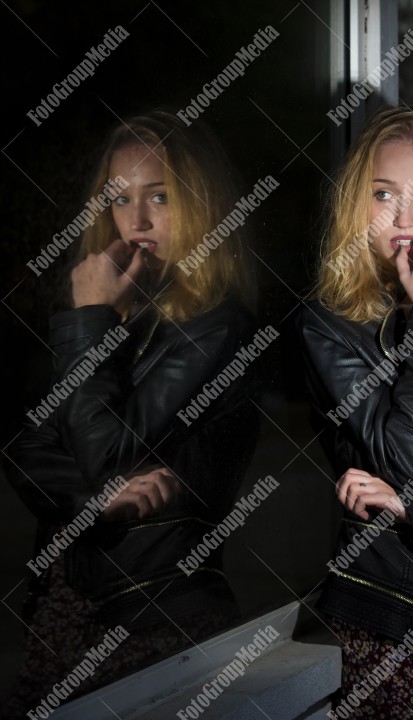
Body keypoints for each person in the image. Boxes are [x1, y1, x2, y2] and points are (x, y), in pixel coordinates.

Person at [2, 109, 260, 716]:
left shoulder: (218, 326)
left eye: (160, 196)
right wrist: (90, 502)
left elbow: (111, 452)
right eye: (120, 198)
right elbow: (26, 446)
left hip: (155, 617)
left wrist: (87, 319)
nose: (137, 220)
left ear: (200, 201)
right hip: (66, 609)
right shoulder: (117, 316)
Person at [297, 106, 413, 718]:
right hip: (403, 622)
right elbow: (407, 460)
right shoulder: (330, 326)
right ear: (358, 205)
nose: (405, 218)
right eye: (384, 194)